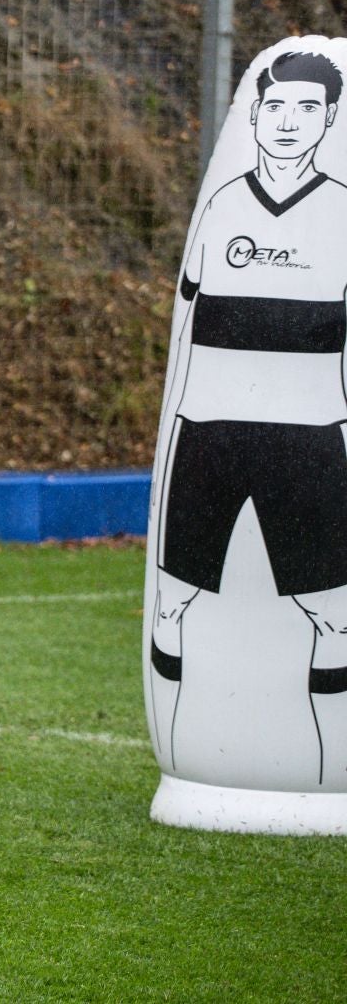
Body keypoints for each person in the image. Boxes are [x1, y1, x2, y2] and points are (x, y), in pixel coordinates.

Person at [149, 50, 347, 782]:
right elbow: (187, 320)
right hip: (209, 433)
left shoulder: (342, 210)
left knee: (331, 615)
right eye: (275, 107)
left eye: (306, 109)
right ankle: (185, 763)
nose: (289, 122)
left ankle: (323, 776)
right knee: (175, 602)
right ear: (254, 115)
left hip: (312, 439)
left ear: (329, 119)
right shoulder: (223, 204)